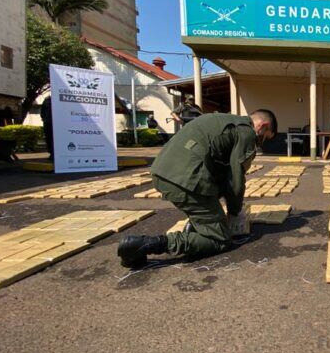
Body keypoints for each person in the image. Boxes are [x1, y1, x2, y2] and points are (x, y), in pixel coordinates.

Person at [117, 110, 278, 268]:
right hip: (186, 179)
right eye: (264, 137)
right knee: (220, 239)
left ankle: (197, 225)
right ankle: (146, 245)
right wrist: (234, 213)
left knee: (214, 199)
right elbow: (236, 180)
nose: (261, 142)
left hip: (162, 171)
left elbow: (223, 172)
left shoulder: (222, 119)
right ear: (262, 126)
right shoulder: (247, 133)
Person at [40, 96, 54, 161]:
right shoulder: (47, 99)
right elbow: (42, 110)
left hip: (57, 123)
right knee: (48, 138)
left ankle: (55, 154)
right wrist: (43, 118)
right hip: (47, 121)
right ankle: (51, 153)